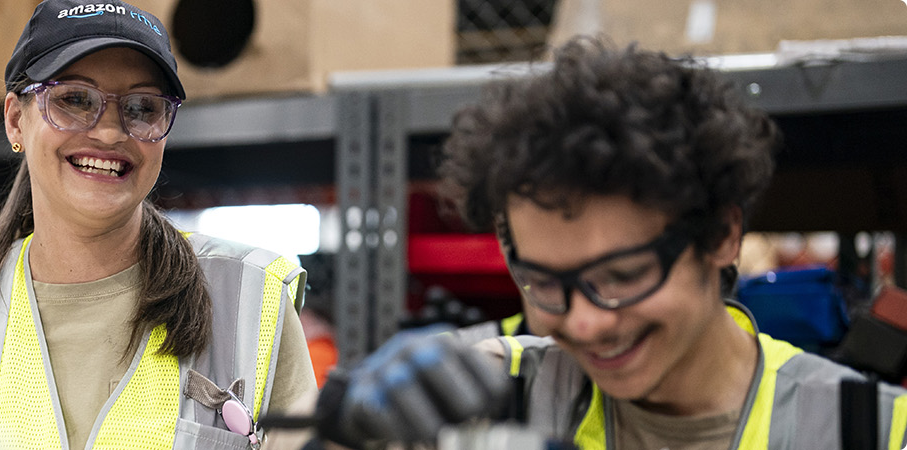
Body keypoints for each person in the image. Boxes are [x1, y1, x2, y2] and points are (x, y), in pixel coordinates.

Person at [315, 38, 907, 449]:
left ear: (723, 235)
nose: (587, 324)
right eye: (547, 282)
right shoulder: (493, 393)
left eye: (622, 276)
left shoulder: (871, 430)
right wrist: (344, 435)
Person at [0, 1, 316, 448]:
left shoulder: (249, 300)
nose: (109, 133)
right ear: (15, 119)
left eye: (142, 107)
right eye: (73, 99)